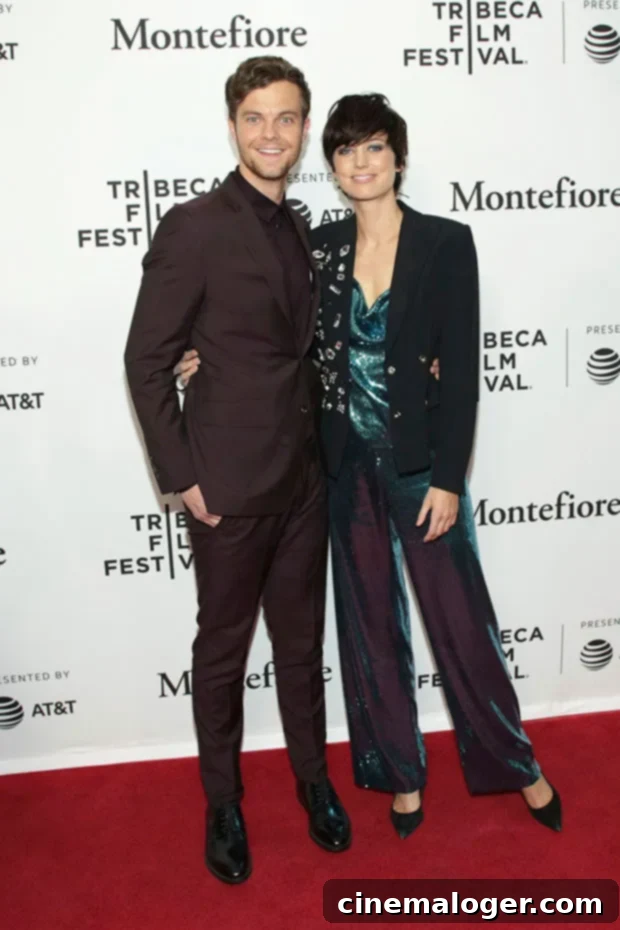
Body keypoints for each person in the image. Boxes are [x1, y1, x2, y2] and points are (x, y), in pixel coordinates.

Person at [175, 92, 562, 840]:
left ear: (399, 158)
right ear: (332, 165)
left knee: (462, 625)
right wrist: (200, 353)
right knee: (370, 629)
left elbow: (463, 369)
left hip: (420, 470)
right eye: (346, 150)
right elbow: (262, 321)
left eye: (374, 147)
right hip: (342, 469)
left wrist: (448, 477)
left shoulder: (446, 243)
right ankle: (400, 773)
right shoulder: (316, 245)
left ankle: (518, 764)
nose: (361, 162)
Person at [123, 57, 352, 886]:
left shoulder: (300, 227)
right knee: (222, 653)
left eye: (286, 118)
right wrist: (184, 477)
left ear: (304, 130)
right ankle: (223, 802)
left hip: (302, 482)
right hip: (225, 486)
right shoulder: (194, 226)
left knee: (301, 646)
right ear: (232, 126)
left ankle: (313, 780)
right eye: (255, 117)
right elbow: (145, 360)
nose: (271, 133)